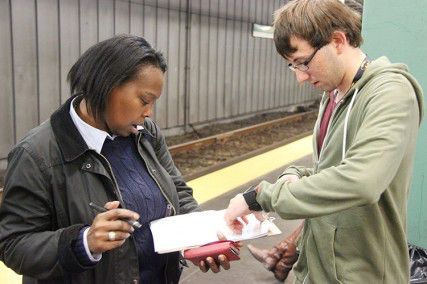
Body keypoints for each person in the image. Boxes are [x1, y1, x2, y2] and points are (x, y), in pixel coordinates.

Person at [0, 34, 228, 284]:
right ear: (107, 85)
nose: (149, 112)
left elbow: (178, 192)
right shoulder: (37, 154)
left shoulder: (147, 134)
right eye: (144, 100)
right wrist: (84, 242)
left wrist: (202, 235)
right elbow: (14, 244)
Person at [224, 0, 424, 283]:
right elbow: (326, 170)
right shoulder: (332, 98)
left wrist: (261, 197)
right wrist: (291, 174)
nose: (300, 77)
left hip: (362, 273)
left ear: (338, 40)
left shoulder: (390, 93)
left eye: (303, 62)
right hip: (319, 270)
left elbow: (361, 181)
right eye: (292, 66)